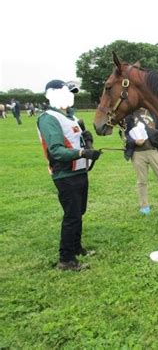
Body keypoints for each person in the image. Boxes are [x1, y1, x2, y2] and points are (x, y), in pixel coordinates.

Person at [37, 79, 102, 271]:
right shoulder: (49, 118)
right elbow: (56, 150)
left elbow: (77, 142)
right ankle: (66, 259)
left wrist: (87, 142)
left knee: (79, 212)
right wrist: (83, 153)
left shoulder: (72, 117)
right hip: (65, 174)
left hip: (79, 171)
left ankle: (76, 248)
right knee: (72, 216)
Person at [123, 108, 158, 215]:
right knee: (141, 181)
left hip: (154, 151)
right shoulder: (129, 116)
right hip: (137, 153)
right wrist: (134, 141)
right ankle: (144, 206)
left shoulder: (154, 112)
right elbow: (124, 134)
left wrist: (153, 138)